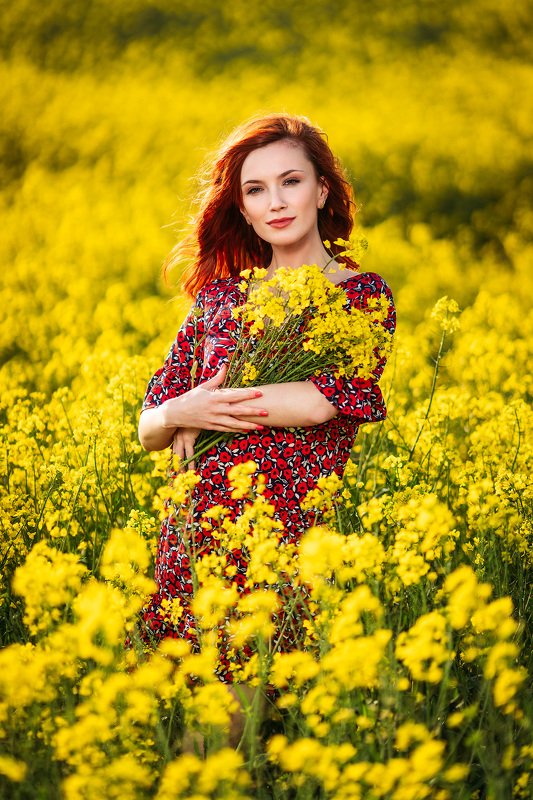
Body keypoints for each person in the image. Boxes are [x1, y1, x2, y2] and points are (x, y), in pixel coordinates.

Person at [138, 113, 396, 686]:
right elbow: (150, 424)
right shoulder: (222, 296)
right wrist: (176, 413)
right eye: (255, 189)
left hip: (280, 539)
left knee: (246, 727)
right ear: (243, 208)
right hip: (191, 534)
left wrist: (203, 409)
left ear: (322, 189)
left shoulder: (359, 295)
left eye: (291, 181)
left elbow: (317, 403)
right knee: (184, 727)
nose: (275, 202)